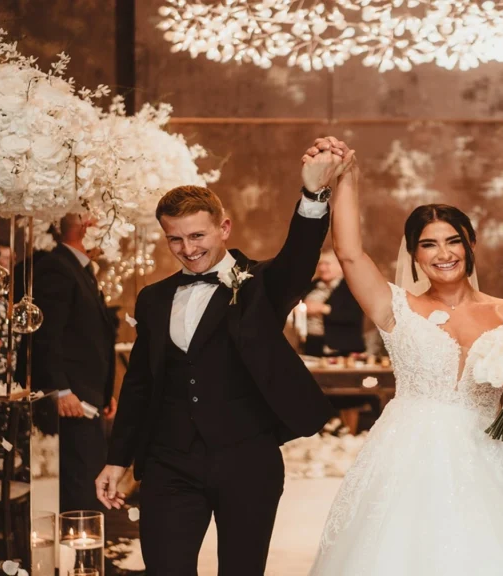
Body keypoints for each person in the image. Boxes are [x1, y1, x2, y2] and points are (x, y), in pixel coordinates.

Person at [305, 137, 503, 575]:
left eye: (453, 241)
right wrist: (348, 177)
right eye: (429, 244)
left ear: (471, 242)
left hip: (485, 457)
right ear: (414, 254)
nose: (444, 254)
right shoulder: (395, 307)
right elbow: (348, 252)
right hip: (406, 455)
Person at [97, 156, 337, 574]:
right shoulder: (153, 298)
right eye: (175, 239)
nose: (188, 250)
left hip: (247, 461)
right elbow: (139, 385)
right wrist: (117, 459)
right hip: (168, 463)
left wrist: (313, 194)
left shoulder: (261, 284)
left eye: (197, 236)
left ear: (224, 228)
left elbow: (299, 257)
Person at [31, 214, 118, 513]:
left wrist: (106, 393)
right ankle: (79, 555)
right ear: (85, 228)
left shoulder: (81, 270)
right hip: (73, 397)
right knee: (81, 481)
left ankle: (87, 551)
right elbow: (46, 334)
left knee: (90, 472)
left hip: (89, 395)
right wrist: (61, 389)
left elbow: (94, 340)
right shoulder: (56, 267)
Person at [303, 250, 366, 357]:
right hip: (312, 345)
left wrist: (323, 308)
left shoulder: (352, 286)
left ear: (340, 266)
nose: (322, 268)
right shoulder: (312, 285)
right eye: (320, 264)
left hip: (342, 348)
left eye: (327, 264)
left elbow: (354, 315)